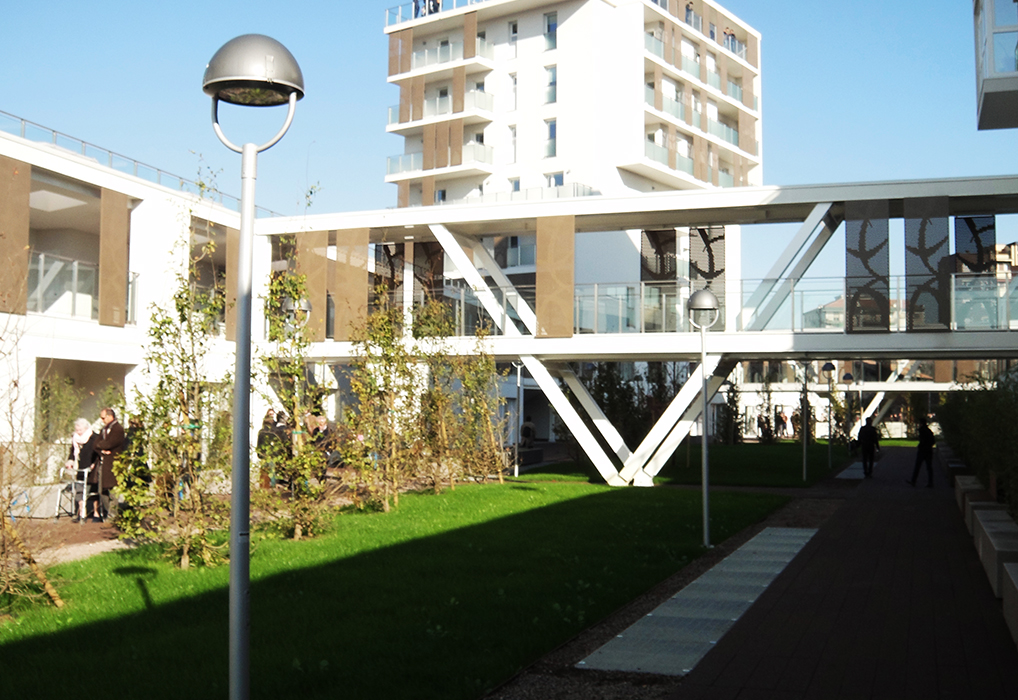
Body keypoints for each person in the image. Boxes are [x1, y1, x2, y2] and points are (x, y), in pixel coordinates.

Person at [90, 406, 125, 522]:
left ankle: (112, 517)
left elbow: (109, 443)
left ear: (110, 417)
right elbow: (96, 444)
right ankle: (107, 513)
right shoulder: (104, 430)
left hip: (113, 465)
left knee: (112, 491)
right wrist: (102, 450)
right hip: (103, 464)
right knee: (102, 491)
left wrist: (103, 446)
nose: (102, 420)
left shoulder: (118, 429)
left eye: (103, 418)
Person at [65, 418, 97, 522]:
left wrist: (94, 464)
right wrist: (70, 461)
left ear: (86, 428)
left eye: (80, 430)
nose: (78, 432)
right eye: (77, 430)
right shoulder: (75, 438)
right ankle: (81, 512)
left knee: (90, 490)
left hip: (90, 468)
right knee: (79, 490)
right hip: (79, 467)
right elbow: (73, 451)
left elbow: (97, 453)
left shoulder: (93, 437)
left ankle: (94, 512)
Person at [908, 417, 936, 487]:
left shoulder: (922, 431)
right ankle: (930, 482)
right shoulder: (929, 431)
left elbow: (922, 440)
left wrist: (922, 445)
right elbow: (933, 441)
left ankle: (913, 480)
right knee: (929, 467)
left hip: (922, 451)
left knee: (917, 466)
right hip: (928, 450)